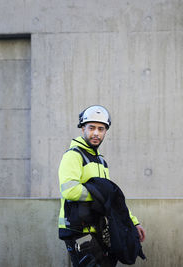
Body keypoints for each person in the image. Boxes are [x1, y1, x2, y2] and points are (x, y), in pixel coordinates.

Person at [58, 105, 146, 267]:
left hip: (98, 228)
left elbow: (112, 198)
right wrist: (98, 195)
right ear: (83, 128)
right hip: (78, 229)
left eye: (101, 129)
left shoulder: (101, 161)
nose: (96, 133)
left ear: (106, 131)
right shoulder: (73, 155)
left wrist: (134, 222)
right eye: (91, 128)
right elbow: (70, 190)